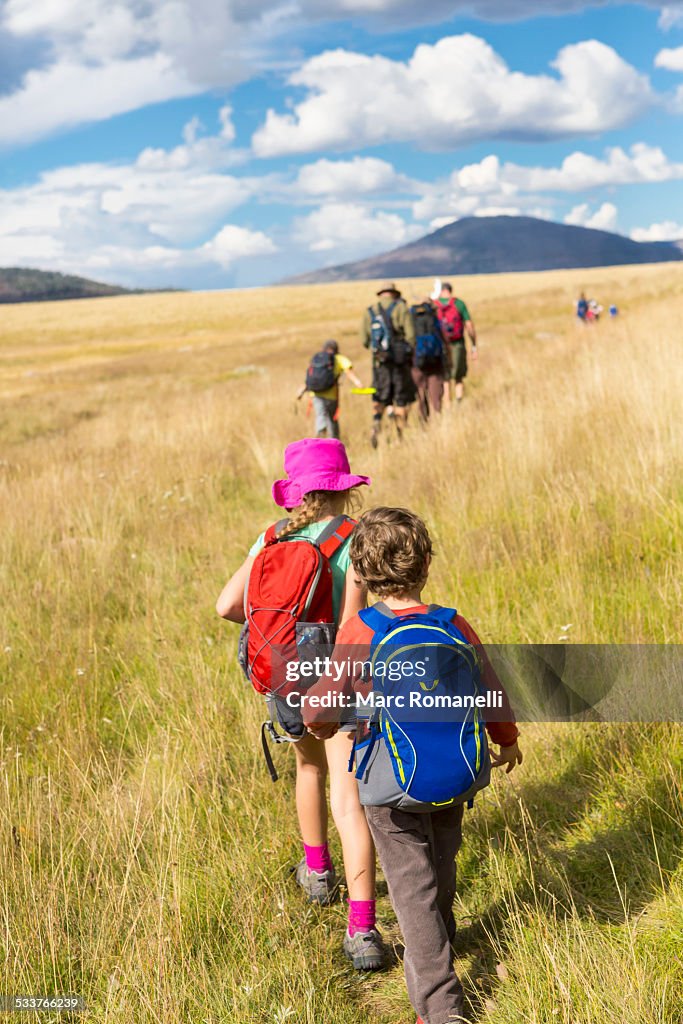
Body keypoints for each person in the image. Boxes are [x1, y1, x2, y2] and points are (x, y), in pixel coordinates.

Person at [305, 506, 522, 1024]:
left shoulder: (361, 629)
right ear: (426, 561)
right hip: (455, 774)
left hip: (388, 787)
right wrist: (507, 739)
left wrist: (317, 723)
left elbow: (324, 707)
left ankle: (440, 1007)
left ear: (360, 571)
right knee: (442, 866)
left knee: (413, 894)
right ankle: (443, 940)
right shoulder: (452, 623)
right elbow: (489, 686)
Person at [215, 438, 386, 970]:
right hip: (338, 677)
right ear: (343, 489)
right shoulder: (351, 539)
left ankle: (317, 874)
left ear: (295, 492)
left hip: (286, 674)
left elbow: (226, 606)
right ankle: (362, 929)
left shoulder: (269, 537)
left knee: (306, 770)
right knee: (349, 796)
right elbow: (357, 620)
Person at [361, 282, 416, 448]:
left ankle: (376, 427)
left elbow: (365, 341)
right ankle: (399, 436)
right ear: (393, 293)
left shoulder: (370, 312)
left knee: (379, 397)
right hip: (399, 365)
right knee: (400, 399)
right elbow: (411, 336)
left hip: (379, 364)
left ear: (381, 294)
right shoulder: (401, 308)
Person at [297, 339, 362, 439]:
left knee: (320, 415)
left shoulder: (317, 358)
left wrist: (301, 392)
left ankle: (321, 432)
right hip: (331, 395)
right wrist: (358, 383)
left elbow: (310, 378)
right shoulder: (339, 358)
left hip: (316, 393)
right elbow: (348, 371)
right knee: (332, 418)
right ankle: (334, 440)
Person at [435, 282, 477, 403]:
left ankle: (447, 401)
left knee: (445, 377)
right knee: (458, 376)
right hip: (457, 343)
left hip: (441, 345)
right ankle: (459, 400)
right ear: (450, 291)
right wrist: (474, 345)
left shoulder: (435, 305)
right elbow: (469, 326)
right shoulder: (459, 304)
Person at [410, 298, 449, 422]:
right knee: (435, 391)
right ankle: (437, 416)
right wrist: (448, 358)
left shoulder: (412, 321)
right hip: (435, 361)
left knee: (421, 391)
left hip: (417, 361)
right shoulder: (435, 320)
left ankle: (423, 420)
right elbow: (445, 339)